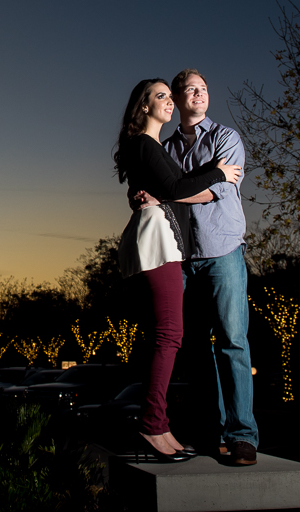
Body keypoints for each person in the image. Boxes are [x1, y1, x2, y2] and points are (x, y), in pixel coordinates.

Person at [113, 78, 242, 462]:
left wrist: (181, 188)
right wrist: (218, 172)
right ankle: (153, 426)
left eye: (172, 95)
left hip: (170, 239)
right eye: (162, 96)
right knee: (169, 335)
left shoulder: (153, 147)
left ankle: (160, 425)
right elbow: (177, 185)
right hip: (159, 239)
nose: (170, 101)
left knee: (167, 335)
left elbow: (184, 188)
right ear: (143, 106)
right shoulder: (145, 144)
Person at [165, 68, 259, 466]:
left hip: (223, 252)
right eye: (191, 89)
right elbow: (162, 193)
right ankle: (211, 433)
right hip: (184, 258)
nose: (200, 94)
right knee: (196, 349)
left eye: (204, 89)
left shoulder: (226, 137)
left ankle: (242, 436)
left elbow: (217, 190)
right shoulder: (166, 148)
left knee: (233, 341)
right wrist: (178, 188)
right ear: (176, 99)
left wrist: (175, 190)